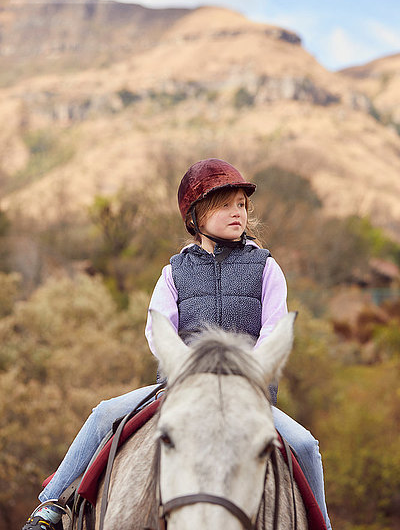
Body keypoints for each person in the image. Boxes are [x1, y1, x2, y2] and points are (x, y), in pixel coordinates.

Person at [22, 158, 332, 530]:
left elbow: (274, 326)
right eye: (225, 205)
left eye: (241, 205)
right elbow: (159, 329)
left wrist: (249, 375)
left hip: (246, 392)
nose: (237, 213)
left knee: (305, 445)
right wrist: (188, 369)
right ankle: (51, 506)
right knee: (104, 413)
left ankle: (321, 524)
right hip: (179, 385)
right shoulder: (174, 272)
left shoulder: (266, 267)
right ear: (195, 217)